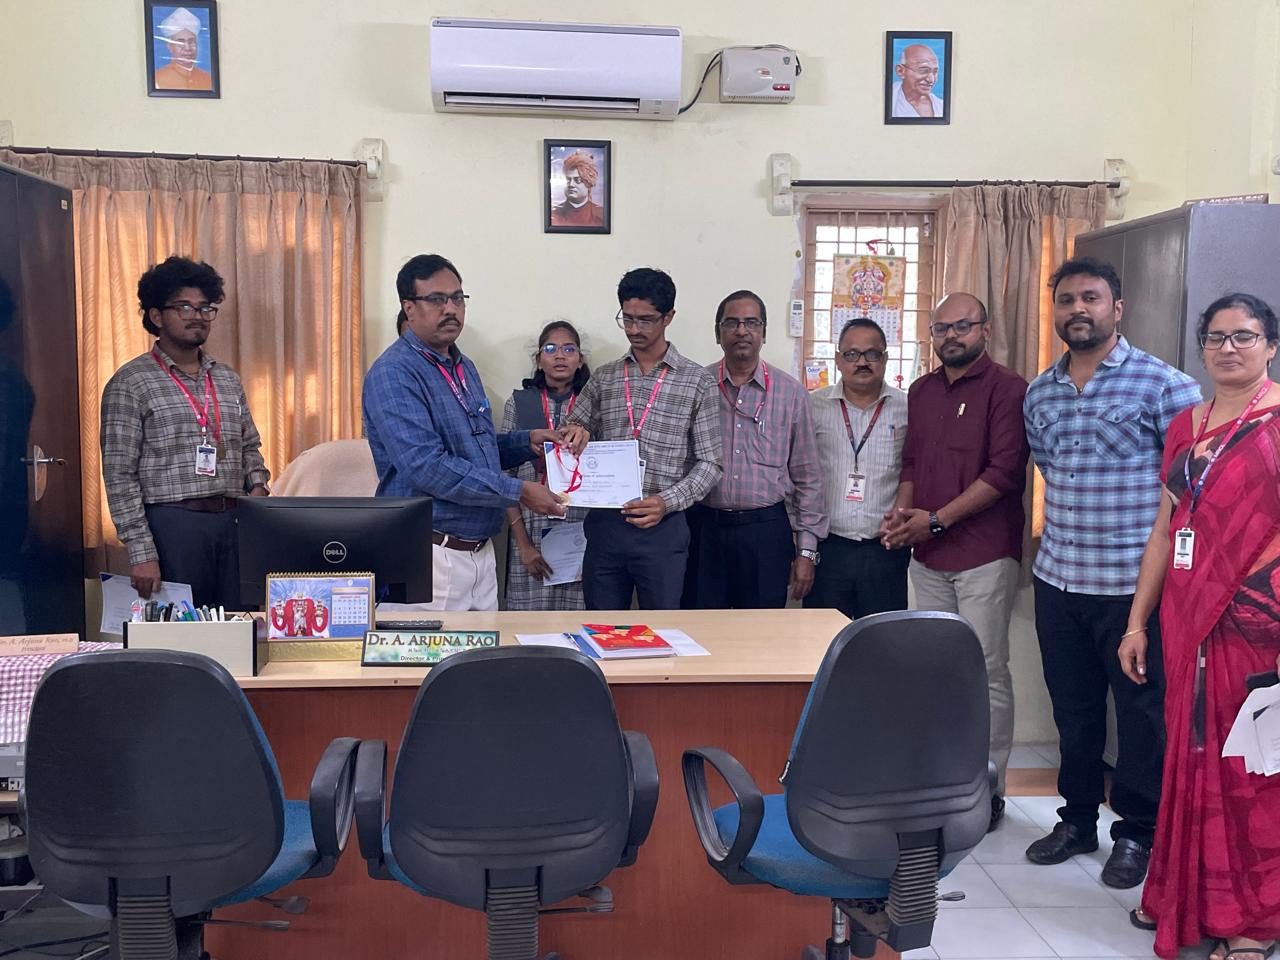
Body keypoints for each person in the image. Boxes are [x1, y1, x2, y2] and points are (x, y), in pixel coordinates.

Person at [1023, 257, 1201, 887]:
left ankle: (1137, 834)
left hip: (1134, 591)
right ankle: (1075, 821)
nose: (1078, 309)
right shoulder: (1040, 392)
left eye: (1091, 298)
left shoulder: (1166, 386)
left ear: (1116, 308)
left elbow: (1189, 494)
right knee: (1073, 713)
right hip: (1059, 581)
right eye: (1066, 299)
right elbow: (1049, 469)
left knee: (1141, 716)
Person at [1122, 294, 1280, 960]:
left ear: (1271, 346)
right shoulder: (1186, 424)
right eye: (1216, 337)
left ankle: (1254, 922)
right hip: (1186, 616)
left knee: (1251, 767)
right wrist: (1136, 622)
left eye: (1244, 336)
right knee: (1187, 755)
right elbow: (1167, 529)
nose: (1228, 348)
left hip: (1258, 623)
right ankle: (1181, 896)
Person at [881, 292, 1029, 832]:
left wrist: (937, 520)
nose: (951, 336)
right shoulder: (921, 391)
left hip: (984, 553)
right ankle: (943, 784)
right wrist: (903, 515)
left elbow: (1005, 473)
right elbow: (912, 464)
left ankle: (987, 790)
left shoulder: (1009, 389)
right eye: (941, 328)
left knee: (984, 670)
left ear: (985, 330)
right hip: (928, 555)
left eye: (962, 326)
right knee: (938, 671)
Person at [362, 254, 568, 611]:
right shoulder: (394, 373)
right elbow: (427, 466)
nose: (450, 309)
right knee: (422, 653)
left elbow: (476, 449)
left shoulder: (463, 366)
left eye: (457, 298)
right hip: (427, 554)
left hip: (480, 554)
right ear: (409, 308)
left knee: (486, 651)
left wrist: (526, 441)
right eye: (436, 299)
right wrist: (518, 491)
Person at [100, 255, 269, 609]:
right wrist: (142, 552)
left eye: (205, 308)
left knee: (241, 625)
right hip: (173, 526)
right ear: (156, 316)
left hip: (234, 521)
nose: (198, 316)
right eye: (185, 307)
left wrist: (256, 492)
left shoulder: (226, 378)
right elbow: (119, 475)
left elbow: (249, 445)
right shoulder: (130, 382)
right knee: (183, 630)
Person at [561, 267, 721, 609]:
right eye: (628, 318)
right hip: (607, 524)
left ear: (668, 317)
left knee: (661, 629)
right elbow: (572, 427)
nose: (634, 329)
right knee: (601, 627)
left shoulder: (697, 381)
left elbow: (711, 463)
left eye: (646, 320)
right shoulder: (605, 377)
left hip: (663, 527)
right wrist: (575, 431)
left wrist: (667, 502)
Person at [684, 290, 825, 609]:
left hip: (766, 533)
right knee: (702, 627)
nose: (742, 331)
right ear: (718, 333)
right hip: (705, 529)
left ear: (763, 332)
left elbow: (808, 478)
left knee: (763, 630)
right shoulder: (696, 386)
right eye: (731, 323)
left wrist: (806, 551)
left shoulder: (791, 394)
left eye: (751, 323)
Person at [805, 317, 909, 619]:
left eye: (872, 354)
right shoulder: (812, 406)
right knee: (822, 639)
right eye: (852, 354)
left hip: (885, 550)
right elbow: (798, 476)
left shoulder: (907, 408)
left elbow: (915, 471)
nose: (862, 362)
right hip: (828, 549)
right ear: (838, 360)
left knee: (882, 641)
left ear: (885, 358)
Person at [501, 320, 592, 610]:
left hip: (582, 531)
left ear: (580, 360)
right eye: (550, 349)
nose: (560, 355)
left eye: (569, 349)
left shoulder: (594, 406)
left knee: (578, 621)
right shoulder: (519, 403)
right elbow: (503, 477)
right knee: (529, 625)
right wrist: (524, 546)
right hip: (530, 529)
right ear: (539, 359)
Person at [153, 7, 214, 92]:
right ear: (170, 46)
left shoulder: (208, 79)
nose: (187, 48)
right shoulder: (157, 79)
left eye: (191, 41)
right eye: (180, 43)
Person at [549, 151, 605, 228]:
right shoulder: (553, 215)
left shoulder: (601, 215)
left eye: (577, 180)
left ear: (589, 183)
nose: (571, 184)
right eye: (568, 179)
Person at [891, 43, 943, 118]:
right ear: (901, 71)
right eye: (923, 71)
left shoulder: (940, 106)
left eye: (935, 72)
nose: (931, 80)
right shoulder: (890, 98)